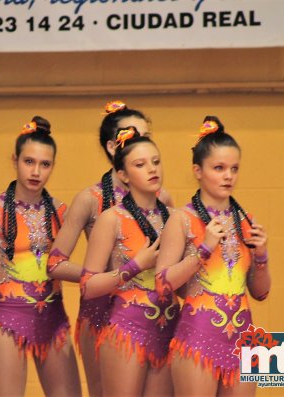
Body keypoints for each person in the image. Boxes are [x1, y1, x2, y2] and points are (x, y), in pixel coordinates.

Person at [47, 100, 172, 396]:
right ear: (114, 148)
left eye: (146, 138)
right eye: (134, 138)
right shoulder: (90, 199)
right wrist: (106, 274)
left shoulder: (163, 199)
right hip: (102, 311)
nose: (143, 147)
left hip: (153, 311)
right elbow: (54, 264)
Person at [0, 117, 81, 396]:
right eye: (29, 161)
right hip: (5, 321)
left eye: (45, 164)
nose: (36, 171)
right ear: (15, 159)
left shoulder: (63, 213)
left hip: (53, 318)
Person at [157, 116, 270, 396]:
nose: (228, 176)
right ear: (198, 170)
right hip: (198, 338)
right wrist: (203, 249)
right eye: (219, 168)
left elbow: (261, 293)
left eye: (234, 168)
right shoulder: (182, 219)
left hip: (246, 339)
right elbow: (163, 284)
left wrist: (262, 256)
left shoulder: (247, 220)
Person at [80, 127, 178, 396]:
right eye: (140, 164)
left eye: (156, 162)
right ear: (123, 174)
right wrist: (135, 266)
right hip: (126, 330)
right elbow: (88, 286)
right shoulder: (111, 219)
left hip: (169, 327)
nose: (151, 169)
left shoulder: (175, 217)